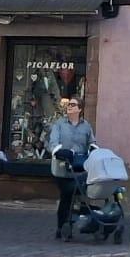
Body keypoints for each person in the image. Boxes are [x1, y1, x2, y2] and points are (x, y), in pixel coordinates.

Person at [45, 97, 95, 241]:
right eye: (68, 105)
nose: (69, 107)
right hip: (62, 168)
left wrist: (93, 149)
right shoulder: (59, 124)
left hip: (79, 168)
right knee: (67, 195)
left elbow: (91, 142)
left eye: (73, 105)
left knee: (79, 195)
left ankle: (81, 221)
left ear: (80, 109)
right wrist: (59, 151)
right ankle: (62, 226)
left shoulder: (86, 126)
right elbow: (52, 143)